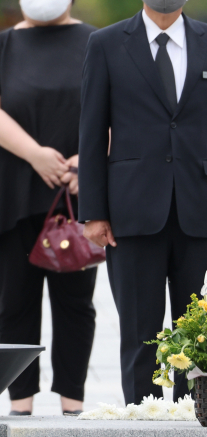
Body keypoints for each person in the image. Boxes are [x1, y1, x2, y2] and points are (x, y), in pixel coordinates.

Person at [0, 0, 96, 416]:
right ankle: (20, 407)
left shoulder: (97, 42)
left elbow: (119, 110)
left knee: (76, 305)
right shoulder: (1, 46)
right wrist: (35, 154)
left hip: (75, 198)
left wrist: (88, 161)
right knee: (13, 303)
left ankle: (72, 406)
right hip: (14, 196)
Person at [79, 0, 207, 405]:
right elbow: (92, 131)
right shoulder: (106, 43)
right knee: (140, 330)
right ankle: (142, 416)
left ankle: (193, 414)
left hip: (198, 205)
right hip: (131, 209)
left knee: (196, 331)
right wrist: (94, 212)